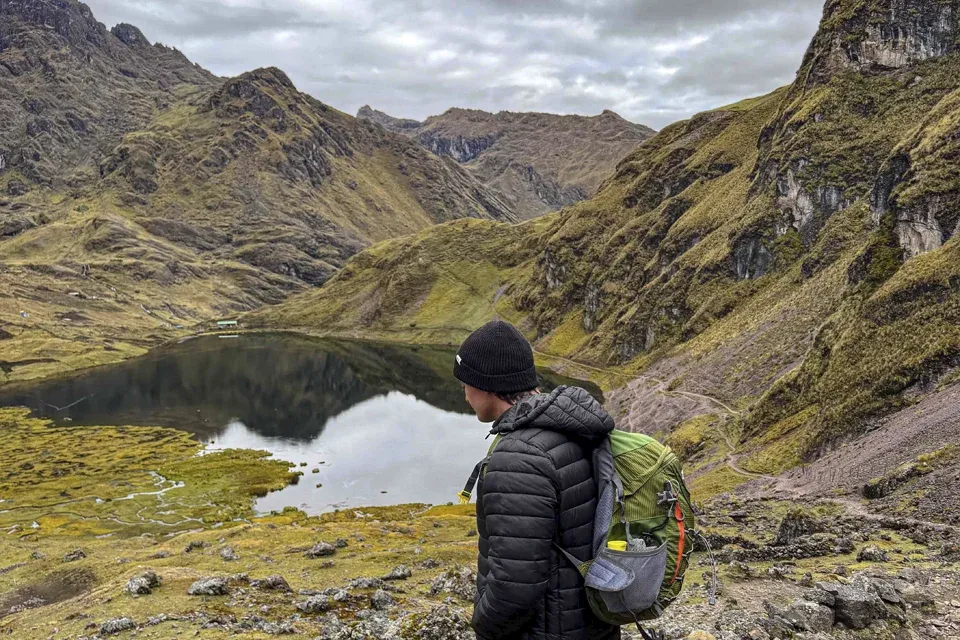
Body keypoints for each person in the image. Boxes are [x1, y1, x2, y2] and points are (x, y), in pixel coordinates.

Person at [454, 320, 620, 640]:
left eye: (466, 382)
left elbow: (514, 589)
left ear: (487, 385)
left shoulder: (517, 459)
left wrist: (484, 626)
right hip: (596, 623)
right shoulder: (574, 429)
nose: (464, 393)